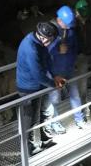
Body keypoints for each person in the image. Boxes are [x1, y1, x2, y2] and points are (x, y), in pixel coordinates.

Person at [16, 22, 65, 156]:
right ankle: (26, 150)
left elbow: (47, 60)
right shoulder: (31, 48)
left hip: (37, 87)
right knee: (29, 119)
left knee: (36, 117)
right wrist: (53, 84)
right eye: (50, 40)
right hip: (27, 89)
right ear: (43, 37)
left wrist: (55, 76)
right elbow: (37, 74)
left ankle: (41, 142)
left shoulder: (39, 42)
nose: (51, 43)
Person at [47, 5, 86, 133]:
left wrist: (72, 59)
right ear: (60, 20)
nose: (69, 27)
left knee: (75, 95)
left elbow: (75, 47)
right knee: (54, 99)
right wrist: (57, 50)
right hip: (54, 72)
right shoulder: (49, 32)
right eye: (68, 24)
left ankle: (79, 119)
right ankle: (55, 123)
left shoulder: (70, 31)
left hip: (69, 69)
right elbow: (44, 52)